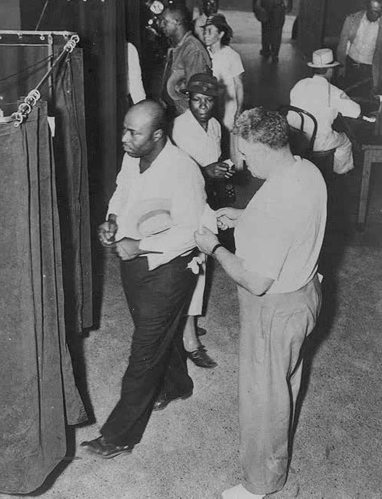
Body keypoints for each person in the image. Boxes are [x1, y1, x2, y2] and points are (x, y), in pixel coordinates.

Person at [195, 107, 327, 499]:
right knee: (283, 383)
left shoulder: (277, 202)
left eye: (245, 155)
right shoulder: (305, 171)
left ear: (262, 148)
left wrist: (214, 246)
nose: (243, 163)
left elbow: (254, 280)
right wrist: (243, 217)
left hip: (274, 309)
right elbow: (286, 222)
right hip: (303, 293)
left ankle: (260, 485)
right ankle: (267, 470)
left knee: (263, 398)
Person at [81, 100, 206, 459]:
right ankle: (178, 384)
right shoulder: (133, 156)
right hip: (132, 261)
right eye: (124, 128)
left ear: (157, 135)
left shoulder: (184, 171)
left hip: (169, 270)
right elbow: (122, 190)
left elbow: (192, 232)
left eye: (132, 133)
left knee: (144, 352)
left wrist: (141, 244)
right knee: (155, 332)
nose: (123, 138)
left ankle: (120, 435)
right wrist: (112, 219)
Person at [172, 73, 234, 369]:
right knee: (192, 263)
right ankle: (189, 340)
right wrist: (209, 171)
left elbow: (213, 160)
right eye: (196, 100)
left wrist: (222, 171)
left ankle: (189, 320)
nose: (203, 106)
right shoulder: (179, 128)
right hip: (185, 203)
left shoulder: (215, 126)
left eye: (209, 100)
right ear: (188, 99)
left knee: (202, 263)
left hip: (207, 200)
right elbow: (177, 171)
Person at [290, 48, 361, 174]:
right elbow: (356, 111)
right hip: (317, 143)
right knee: (345, 141)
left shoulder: (300, 84)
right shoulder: (332, 91)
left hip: (295, 139)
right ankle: (339, 174)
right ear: (330, 70)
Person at [203, 13, 244, 164]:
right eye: (204, 30)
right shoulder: (202, 54)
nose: (205, 35)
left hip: (228, 107)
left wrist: (239, 110)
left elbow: (239, 85)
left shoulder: (232, 55)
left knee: (228, 143)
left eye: (210, 31)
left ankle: (231, 175)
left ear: (220, 34)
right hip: (210, 105)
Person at [160, 4, 211, 116]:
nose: (161, 25)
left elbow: (198, 95)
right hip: (174, 113)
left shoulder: (192, 51)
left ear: (178, 22)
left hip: (186, 117)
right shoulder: (177, 47)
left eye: (165, 21)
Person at [337, 0, 382, 99]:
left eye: (380, 12)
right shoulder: (352, 19)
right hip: (350, 65)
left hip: (370, 71)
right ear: (367, 8)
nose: (377, 15)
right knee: (346, 98)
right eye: (374, 12)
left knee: (365, 102)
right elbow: (343, 44)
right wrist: (341, 66)